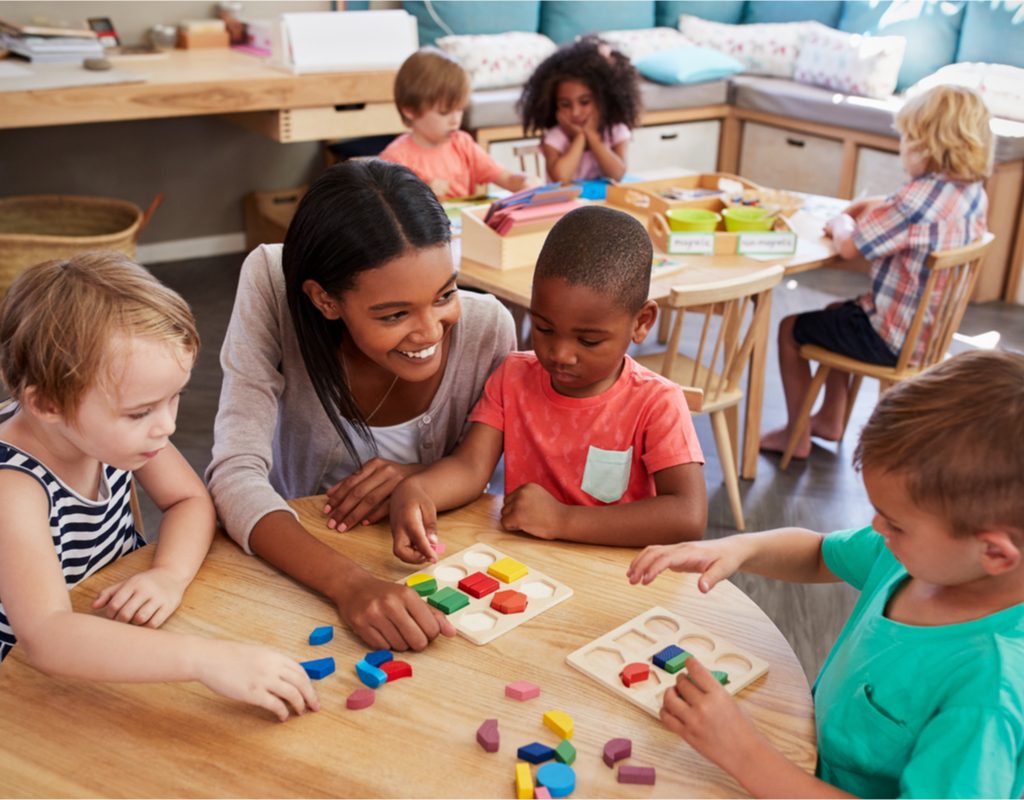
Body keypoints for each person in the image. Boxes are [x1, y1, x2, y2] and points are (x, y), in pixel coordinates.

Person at [630, 349, 1024, 798]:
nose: (878, 528)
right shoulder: (917, 558)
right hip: (800, 761)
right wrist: (739, 547)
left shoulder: (989, 694)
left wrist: (743, 752)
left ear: (995, 552)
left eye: (895, 523)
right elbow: (819, 553)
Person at [206, 159, 517, 649]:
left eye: (445, 294)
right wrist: (349, 585)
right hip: (297, 563)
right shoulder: (273, 281)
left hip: (431, 571)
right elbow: (233, 473)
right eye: (394, 314)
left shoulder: (488, 329)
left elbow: (484, 476)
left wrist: (418, 474)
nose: (430, 331)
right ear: (325, 301)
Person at [0, 254, 318, 721]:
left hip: (105, 625)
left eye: (175, 398)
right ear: (47, 403)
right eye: (140, 412)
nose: (165, 425)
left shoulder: (104, 432)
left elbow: (190, 500)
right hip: (23, 687)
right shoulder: (13, 490)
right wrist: (205, 659)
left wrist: (169, 574)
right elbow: (47, 637)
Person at [390, 205, 706, 563]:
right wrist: (417, 489)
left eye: (588, 341)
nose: (560, 354)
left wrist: (563, 519)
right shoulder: (513, 376)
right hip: (527, 567)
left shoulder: (657, 402)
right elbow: (470, 468)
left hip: (616, 576)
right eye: (543, 329)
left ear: (642, 322)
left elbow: (688, 516)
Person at [760, 85, 992, 459]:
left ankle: (796, 434)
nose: (902, 149)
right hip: (928, 335)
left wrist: (839, 222)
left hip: (890, 340)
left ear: (925, 146)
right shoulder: (971, 192)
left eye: (906, 140)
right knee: (838, 312)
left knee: (791, 330)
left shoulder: (913, 199)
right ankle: (830, 419)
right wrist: (878, 204)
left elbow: (850, 246)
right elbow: (912, 216)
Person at [378, 47, 534, 201]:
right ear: (410, 111)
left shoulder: (463, 144)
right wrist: (423, 195)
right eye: (444, 113)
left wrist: (524, 182)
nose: (455, 120)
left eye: (459, 110)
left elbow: (506, 179)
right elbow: (389, 212)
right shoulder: (395, 159)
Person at [518, 36, 642, 184]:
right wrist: (579, 138)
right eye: (565, 104)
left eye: (584, 102)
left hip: (602, 205)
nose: (575, 112)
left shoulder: (616, 131)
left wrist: (592, 137)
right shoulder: (555, 137)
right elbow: (561, 178)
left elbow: (616, 174)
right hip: (568, 207)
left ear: (603, 100)